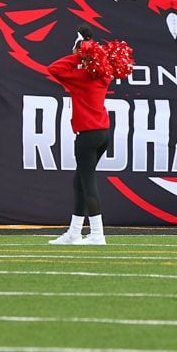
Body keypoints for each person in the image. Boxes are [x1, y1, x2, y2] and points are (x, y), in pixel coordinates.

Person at [47, 26, 113, 245]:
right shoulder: (102, 75)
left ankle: (97, 234)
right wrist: (89, 52)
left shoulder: (82, 76)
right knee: (80, 183)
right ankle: (74, 232)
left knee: (88, 182)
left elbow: (54, 68)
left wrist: (77, 55)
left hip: (87, 135)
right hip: (103, 133)